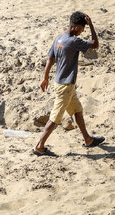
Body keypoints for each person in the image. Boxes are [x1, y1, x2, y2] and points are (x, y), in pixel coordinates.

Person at [33, 11, 105, 156]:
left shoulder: (59, 38)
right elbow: (95, 45)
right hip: (65, 86)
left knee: (78, 110)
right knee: (54, 118)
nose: (83, 31)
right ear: (76, 27)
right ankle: (39, 146)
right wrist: (91, 25)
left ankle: (88, 140)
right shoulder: (73, 41)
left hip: (61, 83)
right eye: (82, 28)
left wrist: (45, 78)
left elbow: (50, 59)